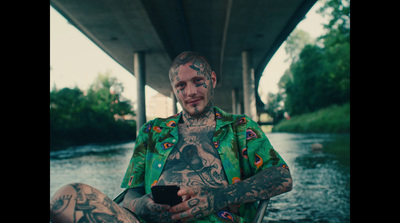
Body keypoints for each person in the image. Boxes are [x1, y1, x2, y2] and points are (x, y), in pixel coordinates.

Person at [50, 51, 292, 223]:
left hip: (216, 219)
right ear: (174, 89)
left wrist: (215, 198)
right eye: (181, 86)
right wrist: (141, 205)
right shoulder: (152, 131)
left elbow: (282, 176)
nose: (190, 92)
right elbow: (131, 194)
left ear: (213, 80)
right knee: (67, 197)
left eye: (198, 82)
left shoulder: (240, 127)